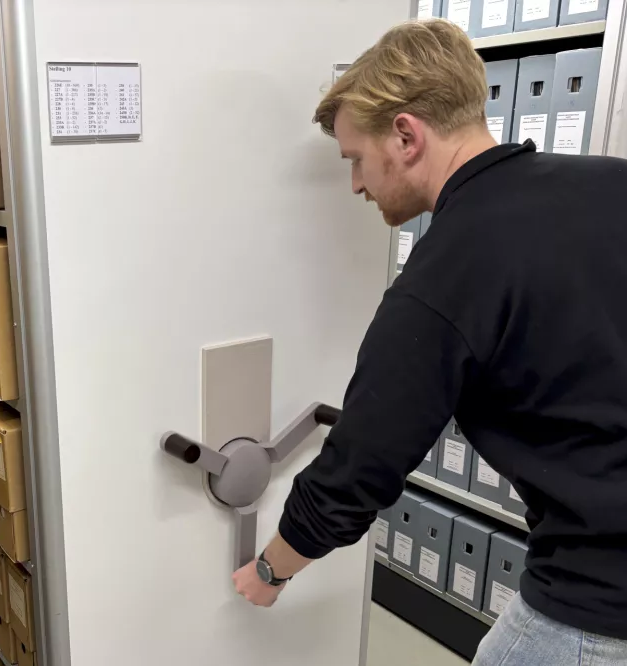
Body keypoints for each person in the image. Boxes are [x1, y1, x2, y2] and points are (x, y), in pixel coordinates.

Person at [231, 18, 627, 665]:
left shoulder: (448, 272)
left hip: (595, 606)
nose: (356, 185)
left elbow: (359, 467)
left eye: (355, 159)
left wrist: (270, 570)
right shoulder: (611, 184)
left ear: (406, 136)